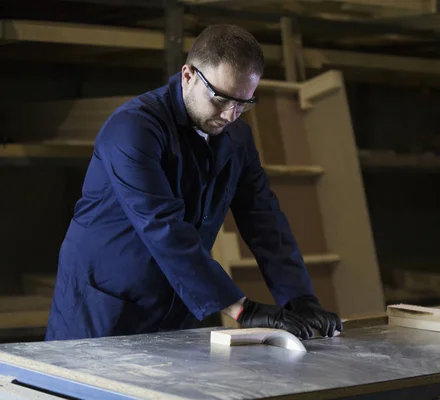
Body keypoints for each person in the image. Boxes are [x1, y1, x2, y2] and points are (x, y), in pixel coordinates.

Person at [45, 24, 343, 341]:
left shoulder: (237, 137)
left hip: (175, 306)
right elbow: (163, 226)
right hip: (102, 307)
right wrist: (243, 309)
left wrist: (300, 299)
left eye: (244, 103)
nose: (231, 115)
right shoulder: (133, 128)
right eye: (220, 98)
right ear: (188, 76)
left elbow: (264, 220)